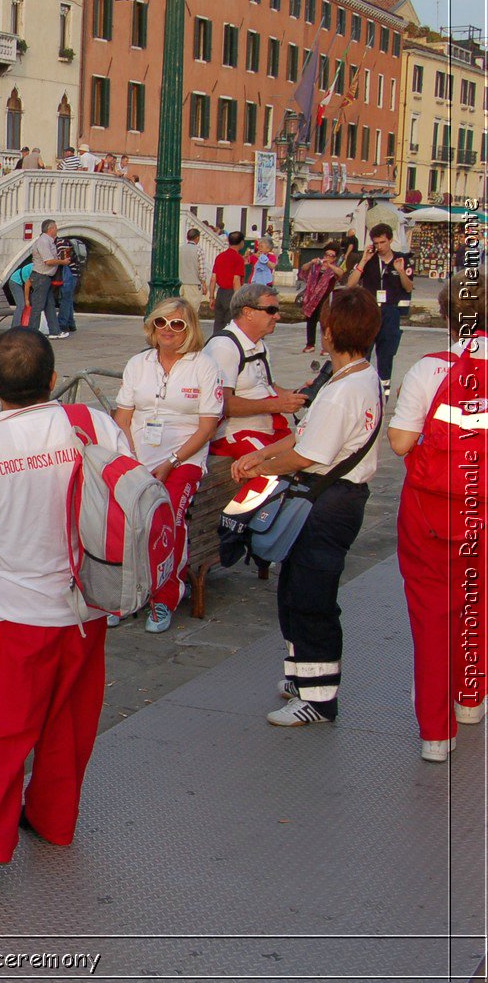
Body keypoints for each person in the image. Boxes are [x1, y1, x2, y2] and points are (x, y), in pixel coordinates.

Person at [0, 329, 127, 871]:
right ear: (51, 379)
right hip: (86, 609)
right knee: (69, 726)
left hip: (13, 615)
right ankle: (53, 821)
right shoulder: (95, 426)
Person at [231, 288, 383, 729]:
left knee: (312, 598)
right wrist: (261, 456)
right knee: (297, 589)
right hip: (336, 498)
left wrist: (263, 464)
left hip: (327, 501)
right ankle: (302, 679)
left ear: (331, 332)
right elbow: (304, 437)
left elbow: (308, 454)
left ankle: (318, 699)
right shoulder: (358, 377)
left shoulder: (341, 390)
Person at [389, 274, 486, 760]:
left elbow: (402, 443)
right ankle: (471, 700)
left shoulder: (429, 370)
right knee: (478, 603)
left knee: (432, 617)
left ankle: (436, 734)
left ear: (447, 317)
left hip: (432, 510)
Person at [112, 298, 223, 633]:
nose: (168, 331)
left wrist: (172, 461)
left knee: (167, 518)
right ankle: (126, 595)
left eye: (177, 324)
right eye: (162, 323)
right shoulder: (138, 363)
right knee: (119, 519)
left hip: (183, 458)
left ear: (189, 329)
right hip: (138, 456)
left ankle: (164, 598)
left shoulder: (204, 366)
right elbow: (123, 418)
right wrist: (129, 458)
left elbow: (208, 426)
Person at [203, 283, 306, 458]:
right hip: (234, 435)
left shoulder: (259, 344)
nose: (277, 316)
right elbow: (222, 404)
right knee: (275, 465)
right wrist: (277, 405)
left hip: (266, 430)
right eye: (271, 310)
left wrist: (298, 395)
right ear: (247, 312)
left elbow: (268, 387)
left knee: (306, 454)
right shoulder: (224, 347)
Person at [345, 223, 413, 397]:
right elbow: (351, 284)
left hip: (390, 312)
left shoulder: (402, 259)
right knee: (362, 353)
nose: (380, 247)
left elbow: (408, 287)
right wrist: (363, 260)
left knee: (386, 357)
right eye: (376, 243)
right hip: (369, 311)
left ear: (390, 240)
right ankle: (360, 391)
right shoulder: (369, 259)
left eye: (383, 242)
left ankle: (384, 394)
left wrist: (400, 271)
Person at [296, 243, 342, 353]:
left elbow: (340, 273)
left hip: (325, 298)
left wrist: (329, 265)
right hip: (312, 297)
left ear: (335, 258)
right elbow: (303, 269)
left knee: (324, 323)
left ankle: (326, 347)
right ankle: (310, 344)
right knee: (310, 321)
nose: (328, 257)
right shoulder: (316, 266)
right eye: (327, 254)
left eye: (331, 256)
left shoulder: (334, 268)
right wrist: (312, 262)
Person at [25, 220, 69, 333]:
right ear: (51, 229)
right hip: (41, 277)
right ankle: (31, 333)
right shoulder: (43, 241)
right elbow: (48, 261)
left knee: (50, 306)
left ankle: (55, 331)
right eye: (55, 227)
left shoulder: (49, 241)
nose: (57, 229)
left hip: (46, 277)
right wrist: (62, 262)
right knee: (38, 307)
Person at [208, 231, 248, 338]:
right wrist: (239, 299)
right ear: (241, 242)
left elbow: (213, 279)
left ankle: (216, 341)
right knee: (230, 323)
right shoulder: (238, 259)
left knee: (218, 322)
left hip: (220, 292)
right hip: (231, 293)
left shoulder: (220, 257)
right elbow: (236, 280)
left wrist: (211, 297)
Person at [180, 227, 202, 297]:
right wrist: (203, 283)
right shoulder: (199, 250)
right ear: (197, 238)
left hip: (180, 282)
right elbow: (201, 270)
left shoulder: (180, 249)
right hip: (193, 283)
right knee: (192, 307)